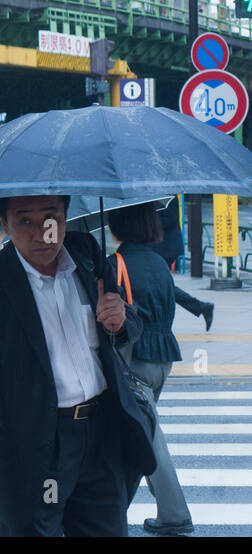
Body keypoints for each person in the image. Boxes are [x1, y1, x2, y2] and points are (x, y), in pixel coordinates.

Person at [0, 194, 155, 536]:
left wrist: (120, 319)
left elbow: (127, 324)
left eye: (51, 218)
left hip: (100, 440)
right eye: (25, 221)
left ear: (66, 216)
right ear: (4, 223)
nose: (43, 233)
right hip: (37, 453)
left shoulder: (86, 253)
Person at [109, 203, 193, 536]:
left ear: (117, 225)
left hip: (133, 361)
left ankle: (174, 515)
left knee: (148, 436)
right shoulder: (160, 262)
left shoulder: (116, 263)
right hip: (163, 359)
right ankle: (113, 510)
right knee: (135, 432)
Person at [150, 197, 214, 330]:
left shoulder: (166, 196)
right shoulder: (160, 194)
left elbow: (169, 220)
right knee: (162, 285)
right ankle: (202, 307)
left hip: (166, 248)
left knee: (161, 285)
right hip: (163, 247)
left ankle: (201, 307)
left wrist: (148, 220)